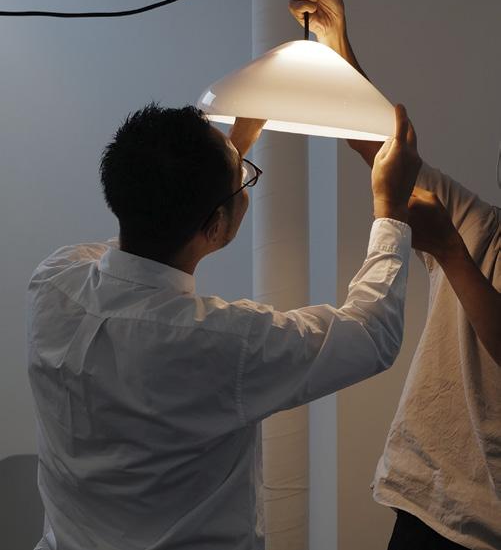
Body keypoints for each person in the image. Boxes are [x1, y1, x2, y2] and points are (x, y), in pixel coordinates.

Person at [27, 97, 420, 550]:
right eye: (245, 181)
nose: (247, 186)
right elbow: (371, 333)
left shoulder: (52, 283)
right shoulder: (221, 343)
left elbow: (152, 232)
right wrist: (391, 210)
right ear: (215, 225)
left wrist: (225, 162)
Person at [289, 0, 501, 550]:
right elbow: (381, 146)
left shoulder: (468, 234)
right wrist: (336, 43)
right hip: (422, 502)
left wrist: (450, 252)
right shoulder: (484, 224)